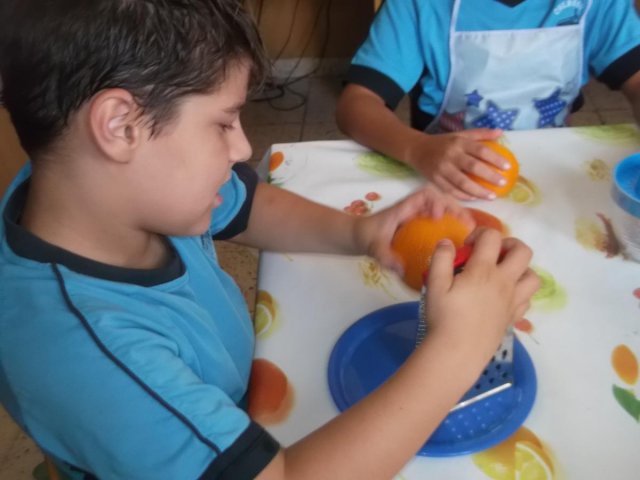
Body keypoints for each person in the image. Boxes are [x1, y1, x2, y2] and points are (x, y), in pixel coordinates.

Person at [0, 1, 539, 479]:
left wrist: (363, 231)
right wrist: (459, 349)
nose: (242, 147)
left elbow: (246, 205)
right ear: (120, 126)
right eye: (224, 122)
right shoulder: (85, 352)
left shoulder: (83, 188)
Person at [336, 0, 640, 200]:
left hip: (552, 174)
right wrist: (416, 148)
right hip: (449, 177)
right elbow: (357, 103)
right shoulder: (419, 5)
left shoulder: (597, 4)